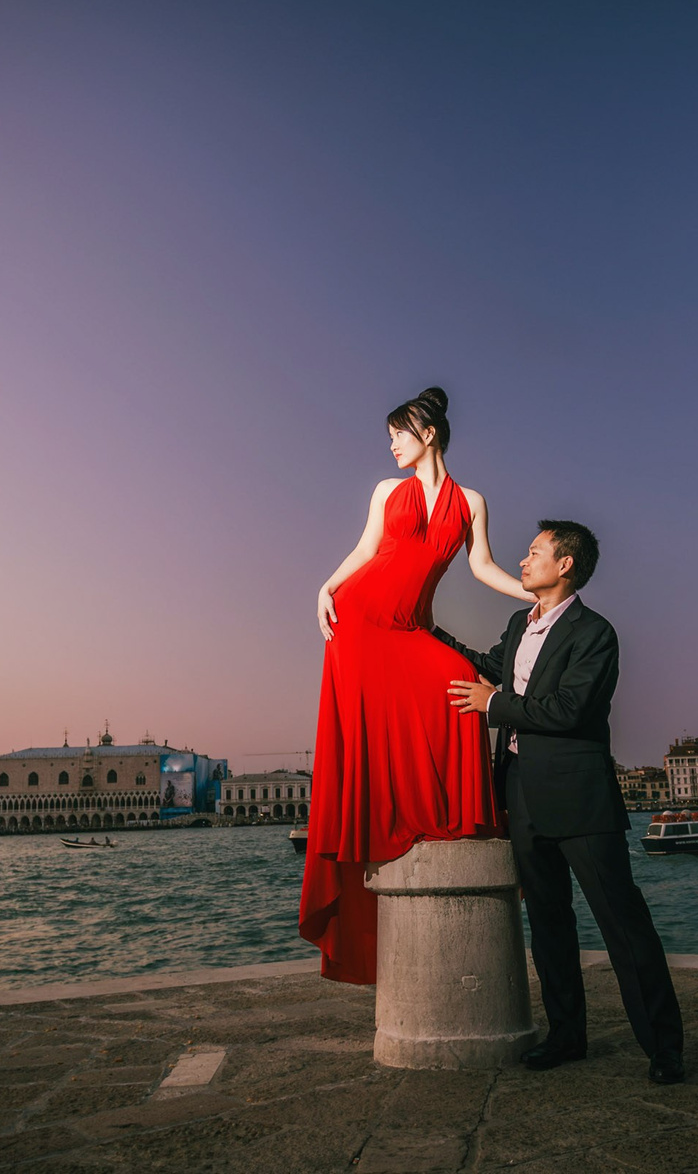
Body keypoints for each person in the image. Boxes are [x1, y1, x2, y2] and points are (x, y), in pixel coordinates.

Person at [300, 387, 533, 985]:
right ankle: (394, 818)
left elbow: (481, 566)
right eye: (390, 438)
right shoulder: (387, 491)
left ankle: (449, 816)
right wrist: (326, 587)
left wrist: (535, 592)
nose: (392, 445)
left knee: (461, 679)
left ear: (428, 434)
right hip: (358, 621)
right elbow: (366, 549)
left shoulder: (470, 502)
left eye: (399, 434)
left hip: (409, 627)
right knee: (377, 728)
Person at [443, 521, 686, 1085]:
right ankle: (566, 1036)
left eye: (534, 553)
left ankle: (664, 1047)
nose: (523, 561)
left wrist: (494, 705)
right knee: (548, 923)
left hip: (581, 799)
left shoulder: (595, 633)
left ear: (565, 564)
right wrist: (428, 633)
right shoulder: (518, 624)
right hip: (521, 793)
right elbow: (487, 666)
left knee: (622, 924)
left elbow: (568, 710)